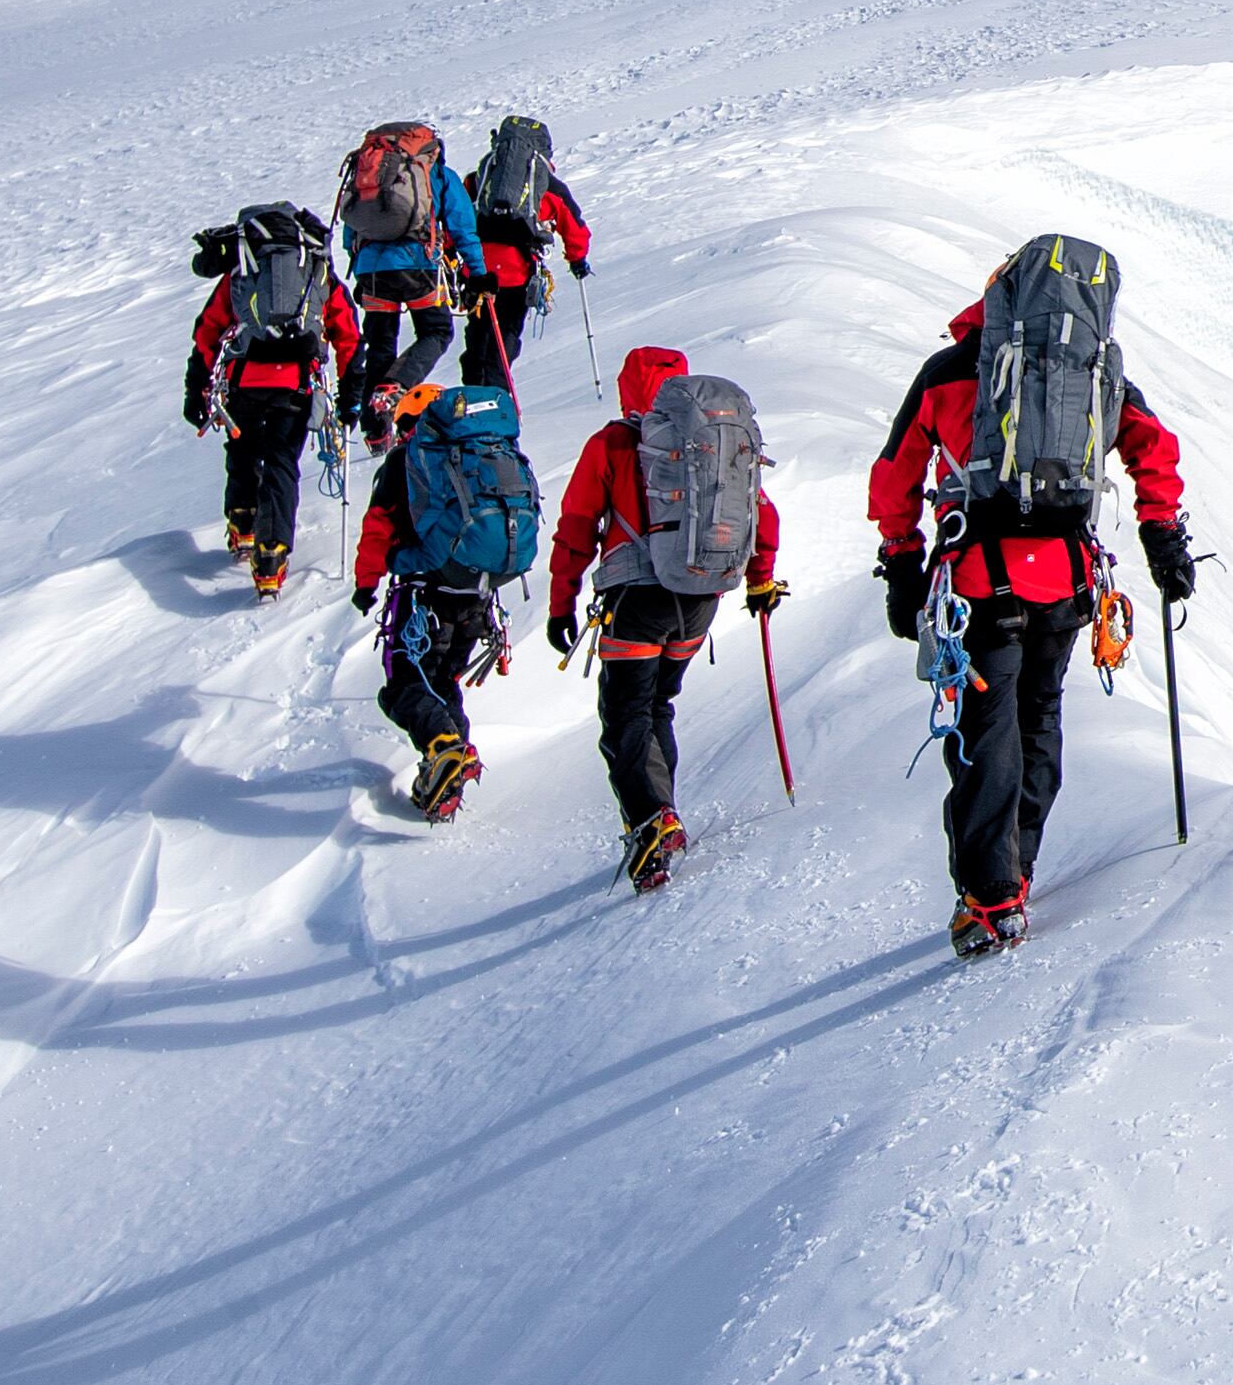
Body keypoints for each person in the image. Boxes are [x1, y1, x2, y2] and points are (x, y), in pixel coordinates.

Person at [866, 239, 1192, 957]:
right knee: (1039, 718)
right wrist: (1162, 536)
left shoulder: (951, 372)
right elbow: (1154, 448)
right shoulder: (1097, 372)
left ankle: (989, 897)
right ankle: (1017, 866)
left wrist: (901, 563)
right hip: (1067, 584)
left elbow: (894, 476)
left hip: (979, 586)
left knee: (987, 735)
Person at [541, 343, 783, 893]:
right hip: (700, 598)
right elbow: (758, 511)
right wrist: (760, 576)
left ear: (629, 386)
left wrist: (561, 604)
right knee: (658, 706)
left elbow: (576, 525)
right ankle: (659, 816)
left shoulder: (612, 443)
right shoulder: (713, 441)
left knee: (626, 714)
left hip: (636, 599)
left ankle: (652, 820)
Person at [347, 378, 540, 820]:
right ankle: (448, 767)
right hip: (477, 595)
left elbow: (378, 526)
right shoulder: (488, 455)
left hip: (422, 594)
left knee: (404, 686)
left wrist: (366, 583)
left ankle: (445, 748)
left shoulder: (408, 461)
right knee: (444, 682)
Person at [183, 203, 358, 602]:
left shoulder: (243, 272)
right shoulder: (317, 272)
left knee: (243, 447)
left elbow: (208, 331)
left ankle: (243, 521)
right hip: (295, 384)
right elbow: (346, 333)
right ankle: (271, 552)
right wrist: (351, 394)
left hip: (243, 380)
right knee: (281, 461)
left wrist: (197, 387)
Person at [332, 121, 485, 435]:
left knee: (380, 344)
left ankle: (375, 431)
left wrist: (361, 264)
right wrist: (479, 274)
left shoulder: (369, 178)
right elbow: (462, 228)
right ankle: (394, 387)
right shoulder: (436, 174)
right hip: (417, 265)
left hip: (371, 270)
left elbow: (351, 231)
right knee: (436, 331)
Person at [460, 115, 594, 389]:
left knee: (478, 335)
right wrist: (577, 259)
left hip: (477, 269)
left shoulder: (481, 177)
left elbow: (457, 219)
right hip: (517, 272)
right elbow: (574, 226)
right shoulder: (546, 184)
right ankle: (498, 395)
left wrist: (453, 253)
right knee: (506, 333)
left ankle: (471, 394)